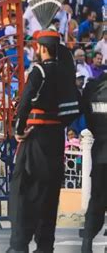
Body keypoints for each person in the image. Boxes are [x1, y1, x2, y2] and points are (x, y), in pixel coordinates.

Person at [6, 29, 78, 253]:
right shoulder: (66, 71)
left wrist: (18, 129)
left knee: (25, 191)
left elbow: (25, 101)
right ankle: (45, 246)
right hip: (56, 139)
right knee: (49, 193)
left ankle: (19, 245)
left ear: (42, 48)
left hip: (35, 137)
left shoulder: (39, 70)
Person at [79, 70, 107, 253]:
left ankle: (87, 241)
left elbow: (87, 118)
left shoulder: (93, 87)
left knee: (97, 200)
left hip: (100, 154)